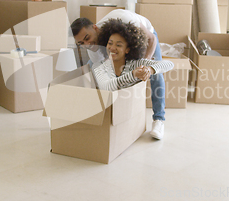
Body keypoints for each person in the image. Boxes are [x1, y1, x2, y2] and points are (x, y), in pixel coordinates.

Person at [71, 9, 168, 139]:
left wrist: (145, 66)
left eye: (87, 38)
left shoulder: (123, 19)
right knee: (90, 71)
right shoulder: (93, 51)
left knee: (154, 72)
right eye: (81, 43)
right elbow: (106, 75)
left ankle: (159, 120)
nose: (87, 44)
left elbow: (151, 39)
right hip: (116, 49)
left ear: (95, 27)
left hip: (144, 38)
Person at [92, 18, 173, 93]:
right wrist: (133, 75)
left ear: (128, 49)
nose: (112, 48)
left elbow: (169, 64)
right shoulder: (98, 66)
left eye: (118, 45)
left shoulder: (135, 64)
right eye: (110, 43)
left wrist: (149, 69)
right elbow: (107, 86)